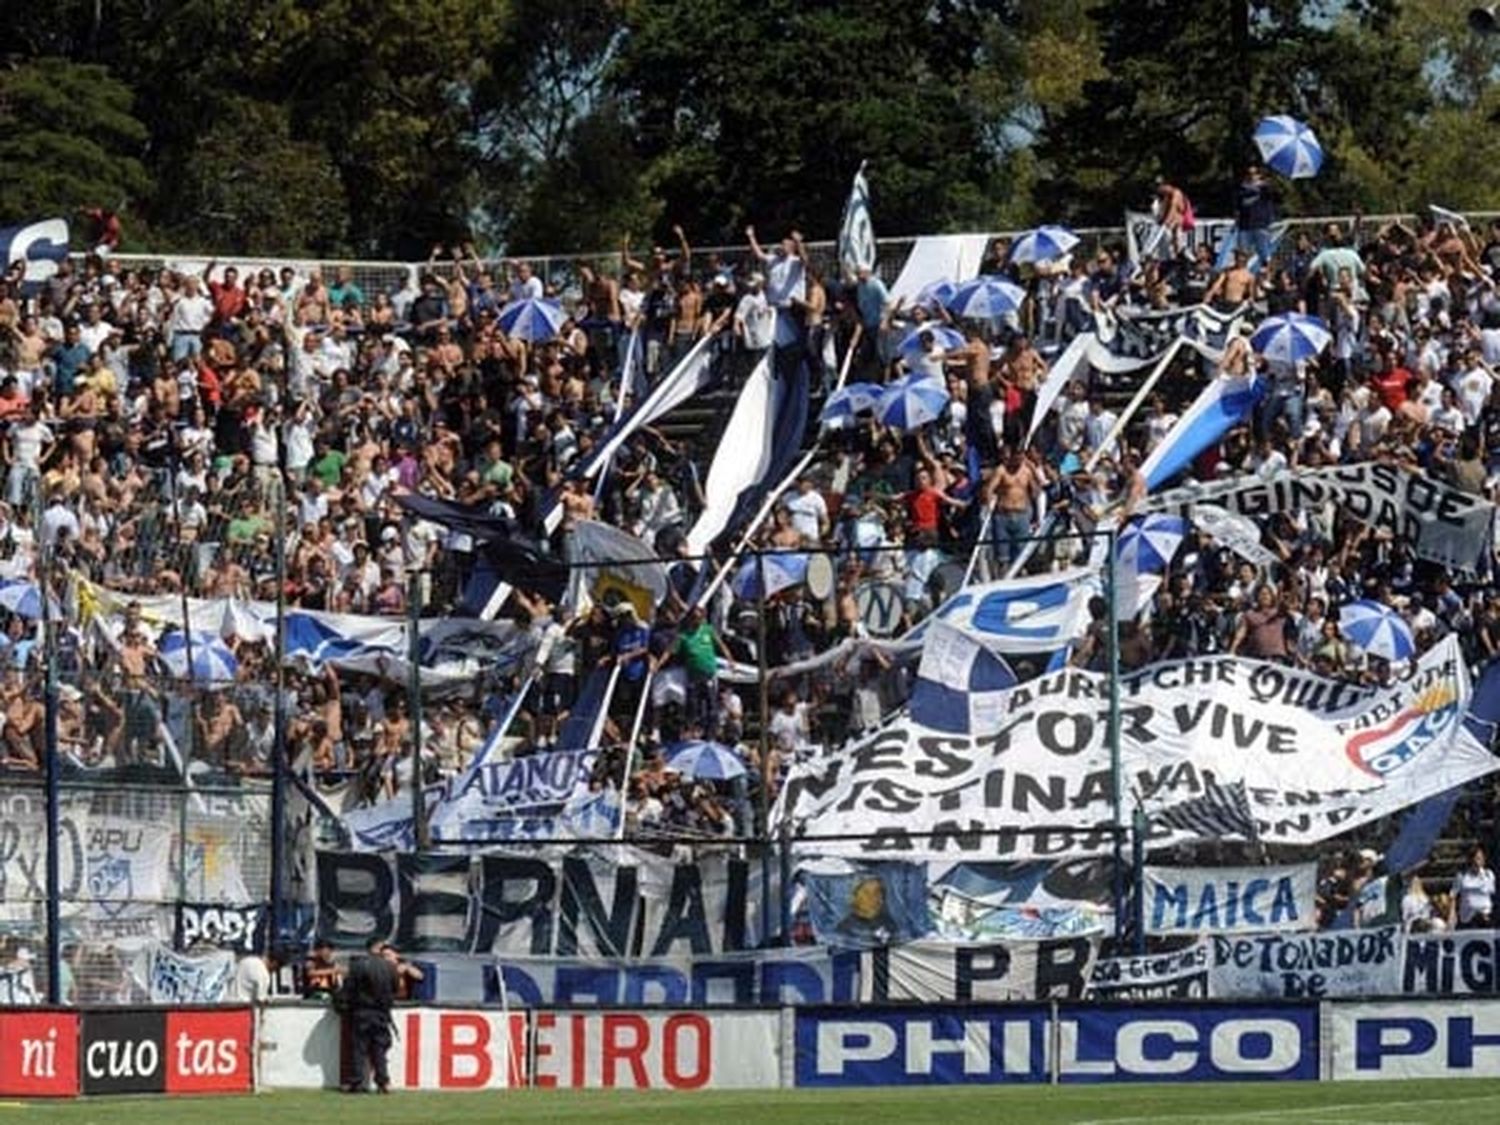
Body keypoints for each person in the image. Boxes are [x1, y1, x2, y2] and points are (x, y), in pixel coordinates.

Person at [339, 937, 398, 1094]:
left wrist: (344, 1004)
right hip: (382, 1013)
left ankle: (358, 1082)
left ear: (368, 948)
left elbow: (349, 989)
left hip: (362, 1012)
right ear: (378, 948)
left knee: (360, 1049)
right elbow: (395, 989)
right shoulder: (391, 967)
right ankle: (383, 1082)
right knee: (379, 1049)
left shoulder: (358, 966)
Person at [1450, 844, 1495, 930]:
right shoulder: (1461, 876)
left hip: (1485, 918)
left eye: (1480, 858)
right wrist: (1452, 915)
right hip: (1467, 919)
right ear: (1470, 860)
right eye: (1476, 858)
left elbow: (1492, 894)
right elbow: (1453, 896)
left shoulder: (1489, 875)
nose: (1478, 861)